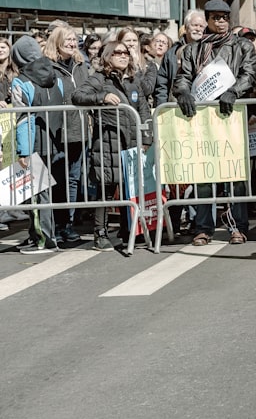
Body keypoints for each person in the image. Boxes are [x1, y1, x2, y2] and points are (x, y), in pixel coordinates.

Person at [173, 0, 256, 245]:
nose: (221, 22)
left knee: (234, 174)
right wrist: (184, 92)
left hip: (231, 115)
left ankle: (238, 226)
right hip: (203, 119)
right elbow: (183, 77)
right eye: (216, 18)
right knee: (204, 173)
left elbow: (250, 74)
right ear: (208, 21)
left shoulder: (243, 46)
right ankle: (203, 227)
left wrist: (234, 91)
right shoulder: (192, 49)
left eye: (225, 17)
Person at [72, 42, 153, 250]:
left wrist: (146, 139)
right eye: (118, 53)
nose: (123, 56)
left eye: (126, 53)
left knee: (131, 188)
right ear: (108, 56)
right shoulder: (100, 78)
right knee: (106, 189)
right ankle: (100, 233)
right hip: (108, 141)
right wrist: (102, 97)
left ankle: (130, 230)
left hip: (131, 141)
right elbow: (78, 96)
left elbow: (143, 109)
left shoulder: (134, 80)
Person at [11, 36, 65, 254]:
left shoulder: (20, 81)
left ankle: (43, 239)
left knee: (36, 194)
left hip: (33, 143)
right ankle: (40, 235)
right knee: (46, 192)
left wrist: (23, 150)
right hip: (54, 141)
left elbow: (22, 117)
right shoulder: (56, 75)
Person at [43, 25, 91, 244]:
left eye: (74, 39)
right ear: (57, 42)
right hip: (57, 131)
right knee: (58, 180)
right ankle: (57, 223)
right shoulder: (49, 67)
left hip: (78, 130)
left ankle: (68, 224)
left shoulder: (81, 64)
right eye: (67, 40)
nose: (72, 43)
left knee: (73, 178)